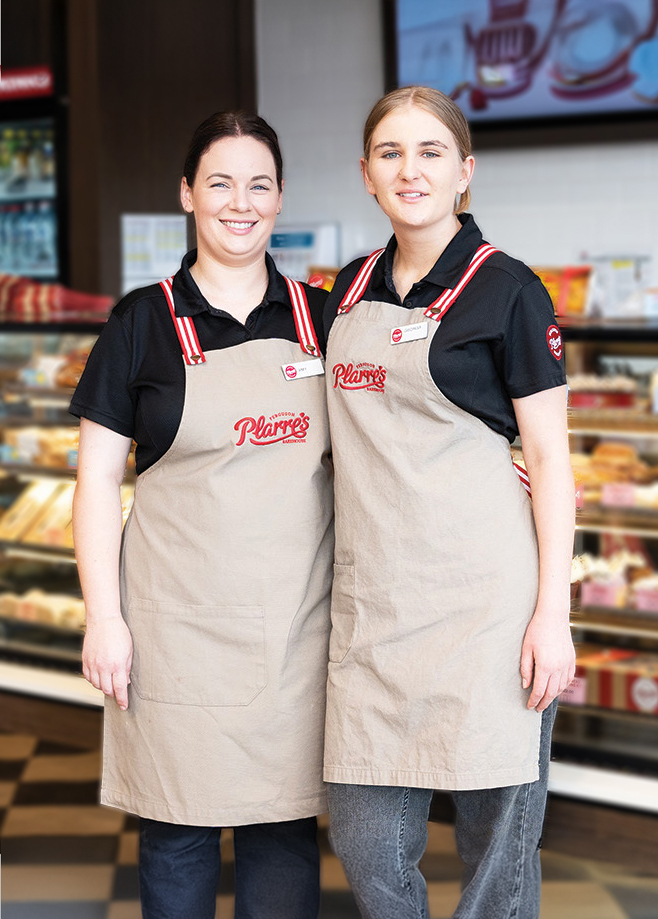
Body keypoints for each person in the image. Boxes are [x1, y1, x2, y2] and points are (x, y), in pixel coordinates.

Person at [70, 111, 333, 919]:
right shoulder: (139, 325)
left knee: (283, 832)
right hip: (172, 631)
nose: (240, 202)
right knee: (177, 835)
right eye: (220, 183)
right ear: (188, 194)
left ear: (281, 198)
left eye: (259, 185)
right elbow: (94, 484)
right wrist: (102, 619)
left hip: (296, 631)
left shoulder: (326, 321)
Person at [322, 86, 576, 919]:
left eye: (431, 152)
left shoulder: (509, 291)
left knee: (498, 849)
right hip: (375, 610)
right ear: (366, 174)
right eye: (391, 153)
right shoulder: (343, 293)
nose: (410, 169)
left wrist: (554, 616)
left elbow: (548, 455)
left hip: (486, 610)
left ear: (464, 171)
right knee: (364, 838)